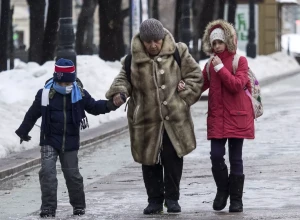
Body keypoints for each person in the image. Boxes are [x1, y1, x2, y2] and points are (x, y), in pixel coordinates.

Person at [105, 18, 203, 214]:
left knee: (173, 157)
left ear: (162, 37)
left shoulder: (178, 52)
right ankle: (155, 200)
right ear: (142, 41)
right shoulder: (132, 59)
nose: (153, 45)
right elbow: (123, 78)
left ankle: (172, 199)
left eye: (156, 40)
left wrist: (184, 96)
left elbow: (195, 76)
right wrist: (119, 92)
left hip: (174, 118)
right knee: (150, 160)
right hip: (146, 120)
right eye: (148, 41)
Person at [15, 58, 119, 218]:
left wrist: (112, 104)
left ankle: (79, 205)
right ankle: (48, 208)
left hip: (70, 142)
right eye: (62, 83)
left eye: (68, 83)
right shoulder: (45, 94)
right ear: (57, 79)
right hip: (49, 140)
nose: (65, 87)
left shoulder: (79, 93)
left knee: (72, 175)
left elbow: (94, 107)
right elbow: (32, 114)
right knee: (47, 173)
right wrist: (23, 131)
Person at [195, 19, 254, 212]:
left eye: (220, 42)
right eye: (214, 43)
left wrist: (221, 68)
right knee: (216, 156)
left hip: (237, 116)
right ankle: (223, 190)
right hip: (217, 118)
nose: (217, 46)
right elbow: (200, 86)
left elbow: (237, 85)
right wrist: (183, 88)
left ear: (227, 41)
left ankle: (236, 200)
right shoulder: (210, 64)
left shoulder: (240, 61)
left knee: (236, 158)